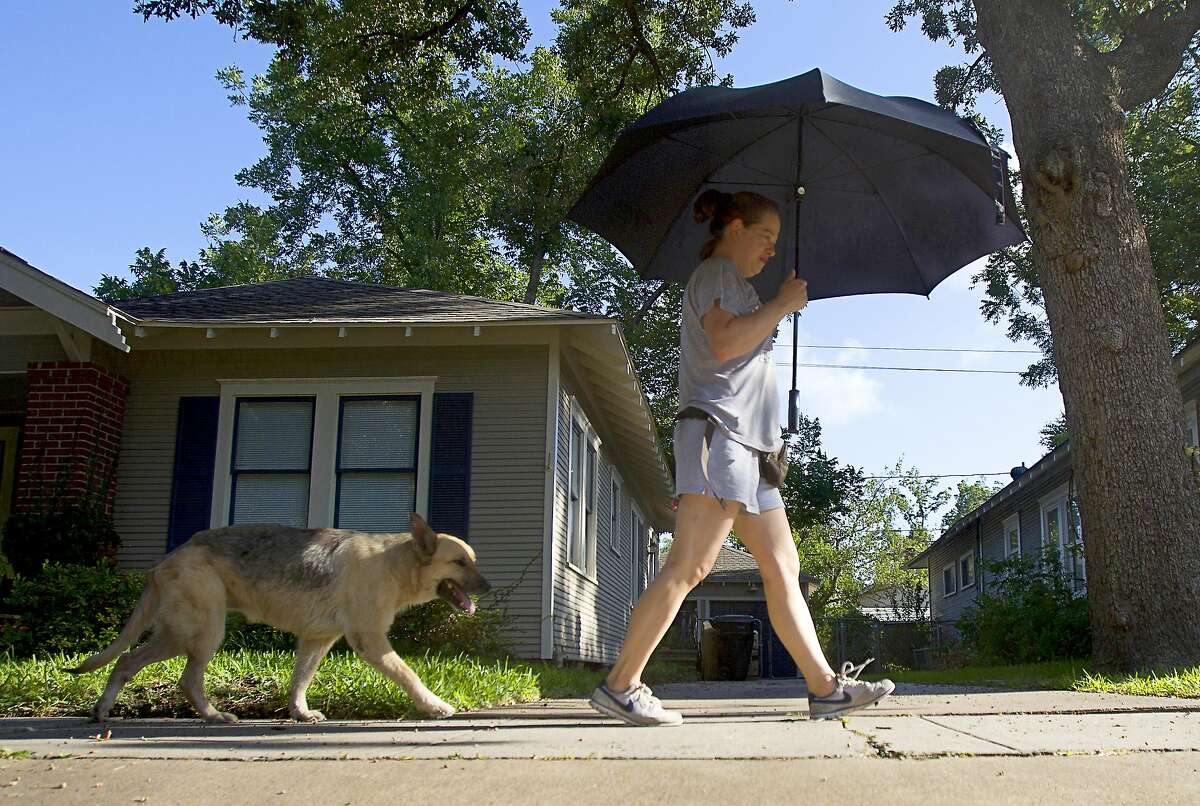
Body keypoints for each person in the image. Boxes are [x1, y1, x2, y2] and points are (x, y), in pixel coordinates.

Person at [588, 189, 894, 727]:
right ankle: (621, 685)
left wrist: (777, 307)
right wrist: (781, 305)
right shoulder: (717, 274)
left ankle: (825, 689)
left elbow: (743, 352)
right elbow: (725, 344)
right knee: (691, 565)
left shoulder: (741, 287)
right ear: (733, 226)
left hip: (751, 453)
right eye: (765, 237)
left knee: (783, 568)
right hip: (719, 438)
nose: (772, 250)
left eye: (777, 241)